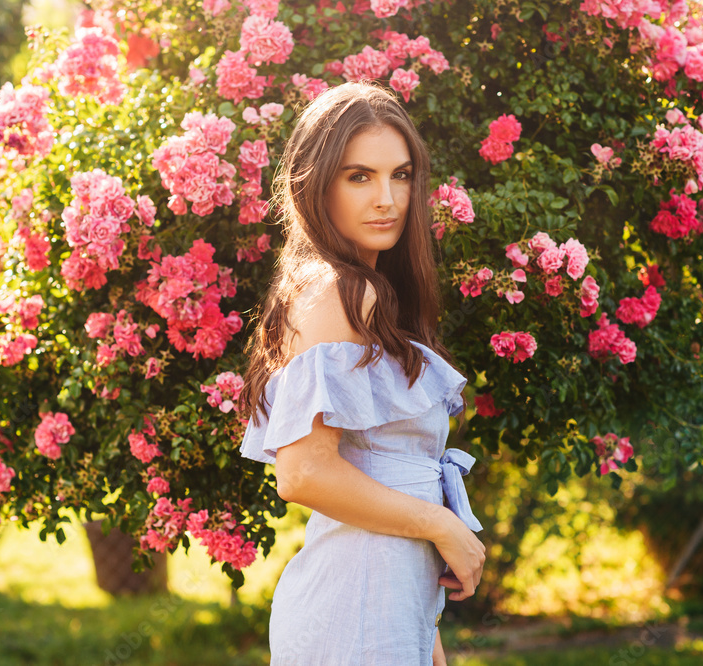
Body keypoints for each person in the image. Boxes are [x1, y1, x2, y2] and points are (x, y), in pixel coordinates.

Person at [237, 81, 485, 666]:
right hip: (353, 612)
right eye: (359, 176)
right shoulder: (343, 292)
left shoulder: (368, 294)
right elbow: (304, 474)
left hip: (391, 608)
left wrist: (430, 642)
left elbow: (386, 486)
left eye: (400, 175)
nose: (387, 199)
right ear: (316, 187)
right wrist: (444, 527)